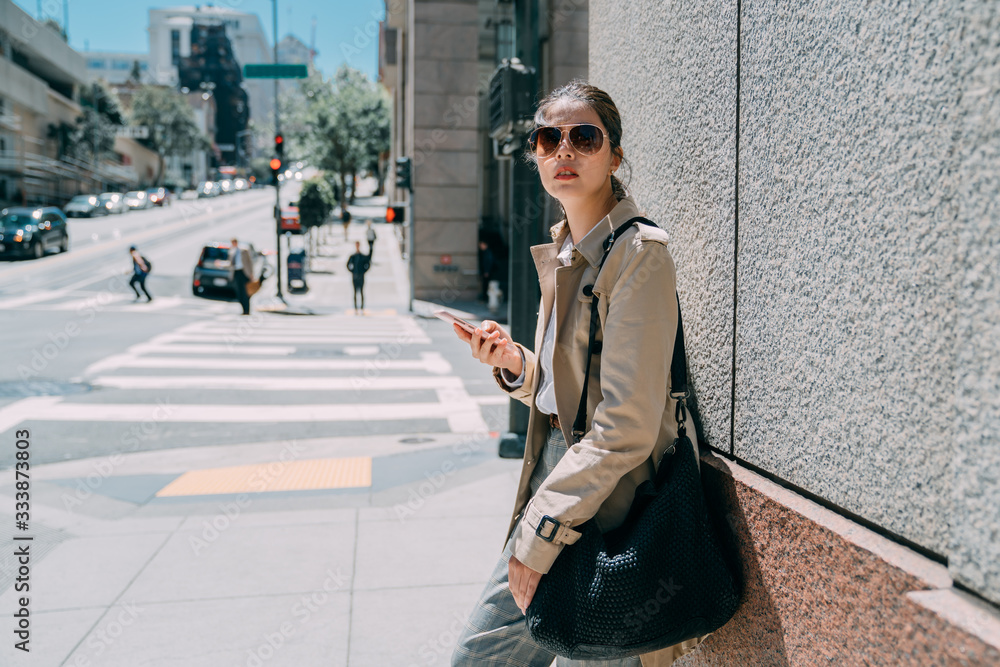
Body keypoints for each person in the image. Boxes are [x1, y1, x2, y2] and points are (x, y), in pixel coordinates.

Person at [450, 82, 706, 666]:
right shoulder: (566, 252)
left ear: (614, 156)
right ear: (535, 154)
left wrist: (539, 530)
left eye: (583, 137)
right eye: (548, 138)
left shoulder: (638, 254)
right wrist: (516, 365)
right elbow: (570, 389)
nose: (564, 150)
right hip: (556, 489)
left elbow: (625, 425)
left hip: (606, 509)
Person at [229, 237, 254, 315]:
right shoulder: (231, 252)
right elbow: (230, 264)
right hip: (236, 273)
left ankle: (247, 310)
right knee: (239, 292)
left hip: (244, 272)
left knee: (245, 292)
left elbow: (249, 263)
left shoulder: (244, 251)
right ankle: (243, 309)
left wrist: (251, 274)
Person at [346, 240, 371, 313]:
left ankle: (362, 307)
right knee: (355, 292)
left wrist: (363, 271)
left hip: (361, 275)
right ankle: (356, 308)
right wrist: (352, 271)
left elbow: (368, 264)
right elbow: (347, 265)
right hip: (354, 276)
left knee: (361, 292)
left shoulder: (363, 256)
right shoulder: (353, 256)